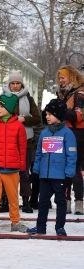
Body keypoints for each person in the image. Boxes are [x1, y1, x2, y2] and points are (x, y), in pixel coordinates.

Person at [28, 99, 77, 236]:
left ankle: (60, 227)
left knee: (60, 202)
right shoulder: (44, 133)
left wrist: (69, 175)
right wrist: (35, 171)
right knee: (43, 202)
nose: (47, 117)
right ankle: (40, 227)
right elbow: (38, 154)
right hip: (44, 176)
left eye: (50, 114)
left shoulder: (68, 134)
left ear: (59, 116)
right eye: (46, 114)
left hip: (60, 176)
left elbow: (71, 156)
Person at [0, 93, 28, 234]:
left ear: (9, 108)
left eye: (2, 106)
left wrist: (22, 167)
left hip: (13, 169)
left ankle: (15, 221)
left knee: (13, 198)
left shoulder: (19, 126)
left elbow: (22, 148)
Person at [2, 70, 41, 213]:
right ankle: (5, 200)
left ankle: (25, 201)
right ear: (9, 84)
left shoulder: (29, 99)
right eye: (13, 83)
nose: (15, 86)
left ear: (21, 84)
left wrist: (24, 119)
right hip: (7, 141)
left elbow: (37, 118)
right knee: (5, 172)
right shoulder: (3, 98)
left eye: (18, 83)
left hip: (26, 140)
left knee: (24, 172)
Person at [56, 66, 84, 215]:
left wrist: (60, 110)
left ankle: (79, 202)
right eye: (59, 77)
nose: (61, 80)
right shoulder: (61, 94)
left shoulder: (80, 94)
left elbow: (79, 116)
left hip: (77, 134)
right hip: (62, 133)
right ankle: (64, 201)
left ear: (72, 77)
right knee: (63, 169)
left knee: (75, 170)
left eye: (63, 77)